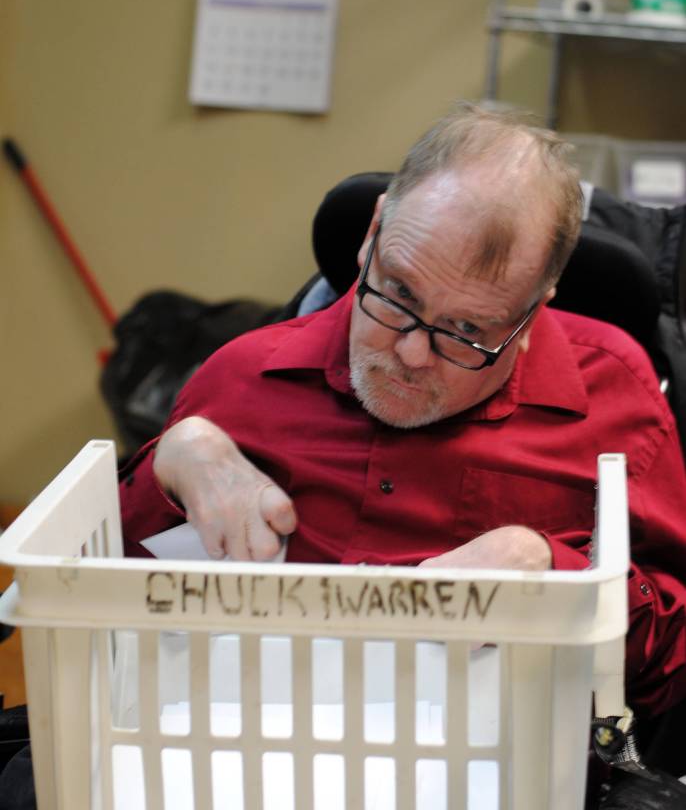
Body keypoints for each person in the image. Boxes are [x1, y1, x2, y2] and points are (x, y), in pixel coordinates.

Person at [120, 103, 686, 719]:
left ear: (533, 312)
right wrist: (170, 465)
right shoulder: (243, 377)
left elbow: (674, 665)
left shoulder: (616, 401)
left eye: (468, 329)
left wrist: (564, 575)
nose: (413, 353)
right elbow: (102, 607)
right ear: (373, 235)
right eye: (399, 293)